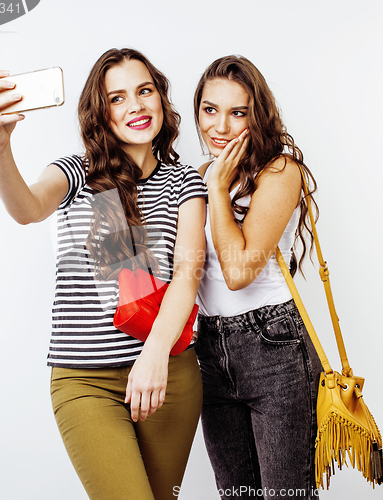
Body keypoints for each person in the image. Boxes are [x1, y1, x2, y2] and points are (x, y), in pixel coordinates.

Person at [0, 48, 207, 500]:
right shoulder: (78, 171)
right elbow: (28, 208)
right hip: (85, 379)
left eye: (144, 91)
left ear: (161, 97)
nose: (136, 106)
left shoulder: (184, 182)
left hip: (166, 372)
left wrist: (154, 356)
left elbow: (187, 277)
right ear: (100, 112)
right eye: (117, 98)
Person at [193, 55, 323, 500]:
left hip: (275, 350)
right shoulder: (199, 176)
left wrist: (215, 188)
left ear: (257, 115)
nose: (221, 126)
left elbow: (238, 272)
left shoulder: (280, 171)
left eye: (238, 112)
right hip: (210, 351)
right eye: (210, 110)